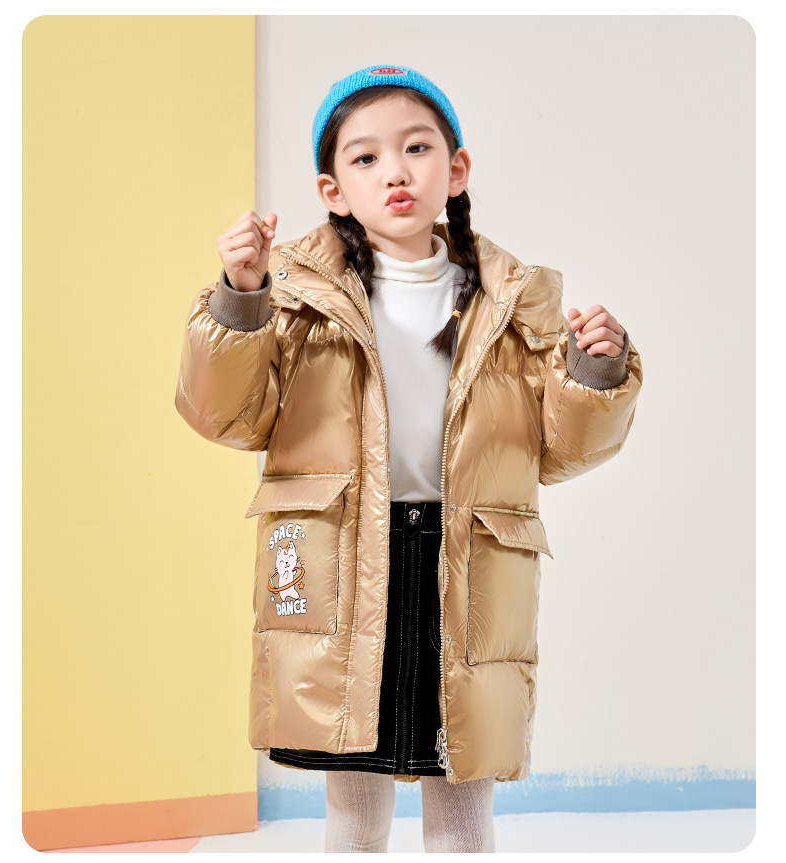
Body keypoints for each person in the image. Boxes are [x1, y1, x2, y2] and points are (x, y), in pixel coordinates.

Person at [175, 64, 643, 853]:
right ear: (332, 191)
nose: (394, 171)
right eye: (365, 158)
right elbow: (225, 414)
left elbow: (560, 448)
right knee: (353, 799)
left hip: (467, 556)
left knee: (460, 794)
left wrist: (594, 371)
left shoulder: (513, 299)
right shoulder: (293, 295)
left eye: (417, 148)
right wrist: (239, 296)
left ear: (456, 170)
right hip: (341, 553)